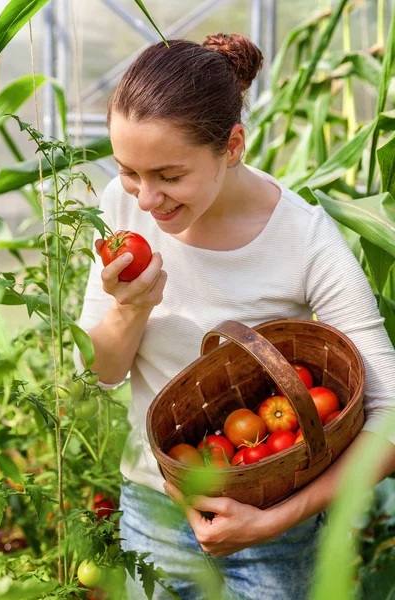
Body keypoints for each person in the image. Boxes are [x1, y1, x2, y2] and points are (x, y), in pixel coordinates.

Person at [74, 33, 395, 599]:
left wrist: (277, 519)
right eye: (129, 171)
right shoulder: (120, 206)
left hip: (278, 528)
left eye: (170, 176)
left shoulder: (306, 242)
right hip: (154, 505)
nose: (146, 201)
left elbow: (389, 418)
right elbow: (103, 371)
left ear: (234, 145)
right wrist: (131, 307)